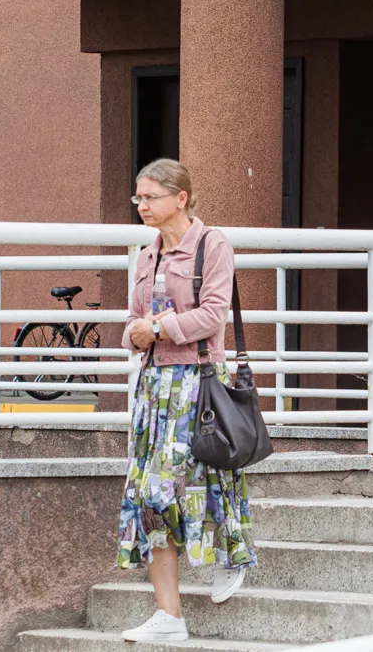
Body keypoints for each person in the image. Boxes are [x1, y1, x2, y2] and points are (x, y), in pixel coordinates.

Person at [115, 157, 257, 643]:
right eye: (138, 198)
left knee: (212, 479)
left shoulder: (211, 244)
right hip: (154, 387)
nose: (142, 206)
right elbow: (133, 322)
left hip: (199, 383)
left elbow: (214, 315)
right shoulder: (145, 254)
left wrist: (157, 327)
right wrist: (137, 336)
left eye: (150, 197)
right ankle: (168, 616)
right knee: (150, 495)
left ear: (180, 197)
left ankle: (229, 556)